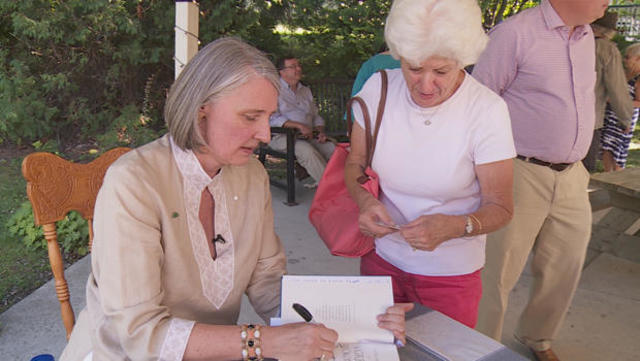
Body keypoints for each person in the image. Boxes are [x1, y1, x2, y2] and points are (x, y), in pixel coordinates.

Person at [60, 37, 411, 361]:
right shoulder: (133, 182)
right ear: (201, 110)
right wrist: (263, 342)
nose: (263, 134)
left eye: (268, 117)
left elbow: (267, 279)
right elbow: (140, 335)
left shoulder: (250, 174)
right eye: (249, 116)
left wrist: (361, 319)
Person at [345, 0, 516, 329]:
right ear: (399, 55)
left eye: (441, 71)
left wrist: (454, 227)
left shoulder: (487, 110)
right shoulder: (377, 89)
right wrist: (365, 202)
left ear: (463, 60)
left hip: (450, 275)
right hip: (381, 260)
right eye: (414, 68)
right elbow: (354, 163)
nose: (425, 85)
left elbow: (502, 207)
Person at [472, 1, 609, 360]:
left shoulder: (586, 38)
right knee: (498, 271)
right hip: (518, 171)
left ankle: (537, 337)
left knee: (565, 265)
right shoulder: (514, 33)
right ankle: (480, 348)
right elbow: (476, 103)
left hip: (573, 174)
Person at [269, 56, 335, 188]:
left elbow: (316, 115)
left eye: (298, 65)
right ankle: (330, 189)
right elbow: (272, 118)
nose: (298, 69)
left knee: (333, 149)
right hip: (282, 137)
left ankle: (340, 183)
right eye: (293, 66)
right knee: (307, 151)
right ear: (282, 72)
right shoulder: (274, 89)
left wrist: (320, 131)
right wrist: (299, 126)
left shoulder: (305, 90)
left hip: (308, 135)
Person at [583, 11, 633, 172]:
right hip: (590, 120)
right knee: (583, 171)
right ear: (609, 32)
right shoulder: (607, 49)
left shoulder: (572, 41)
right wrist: (625, 118)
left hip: (559, 117)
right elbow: (617, 88)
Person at [601, 42, 640, 171]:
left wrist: (617, 101)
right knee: (606, 148)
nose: (625, 60)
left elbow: (638, 102)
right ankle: (609, 176)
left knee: (616, 151)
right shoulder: (623, 73)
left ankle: (617, 179)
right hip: (610, 115)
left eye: (628, 57)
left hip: (623, 118)